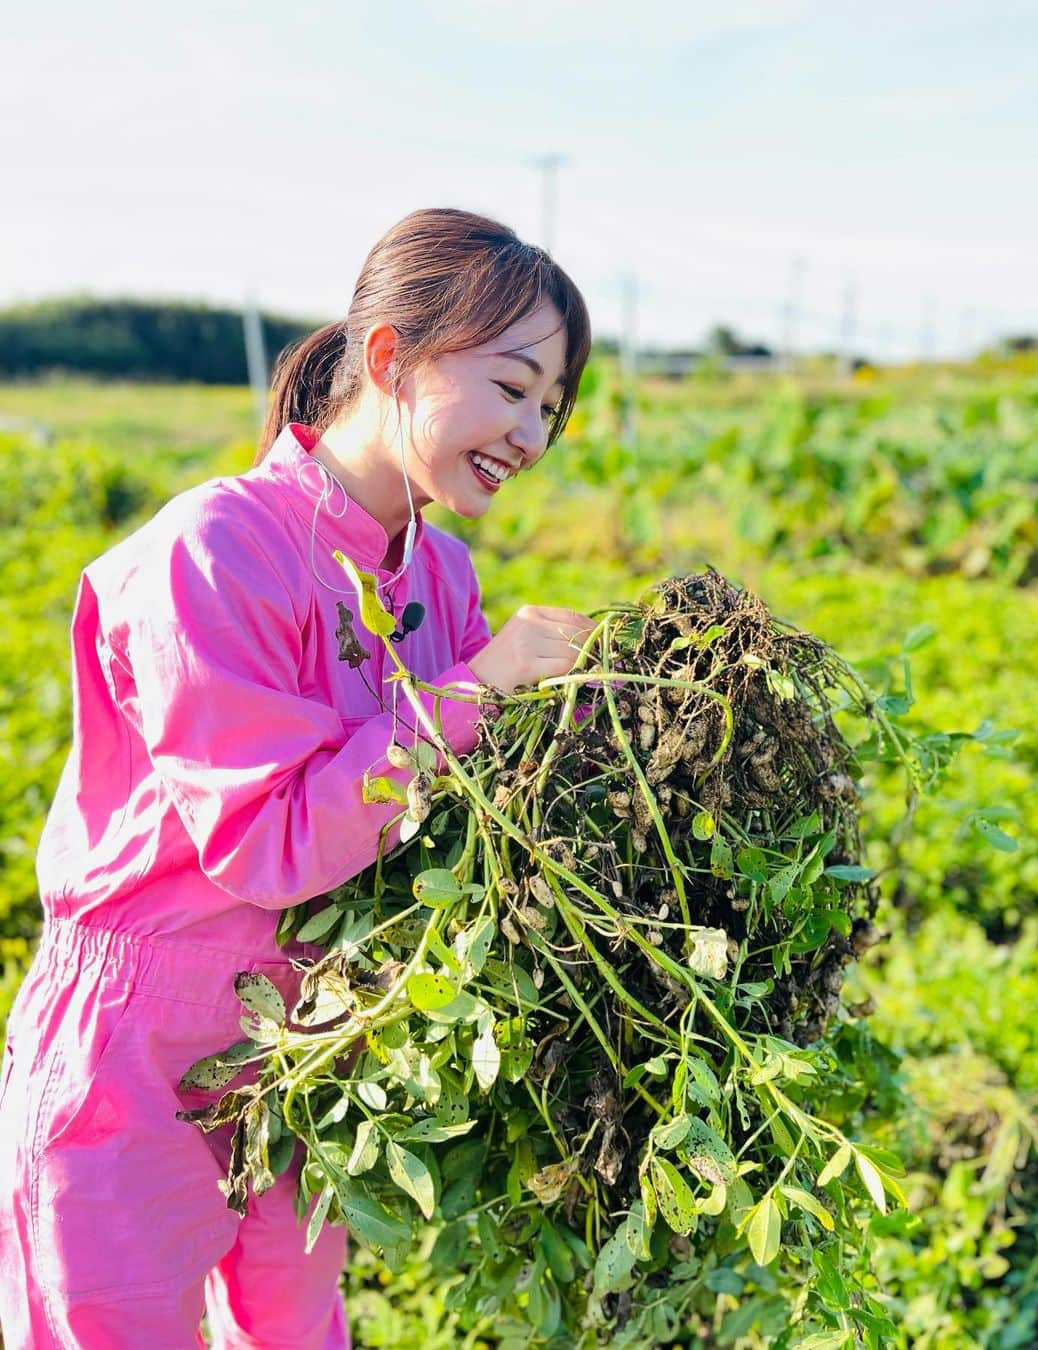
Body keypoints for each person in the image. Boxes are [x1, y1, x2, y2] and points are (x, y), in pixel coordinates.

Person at [0, 207, 593, 1348]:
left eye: (552, 406)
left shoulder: (444, 576)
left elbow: (452, 826)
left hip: (314, 1041)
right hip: (139, 1043)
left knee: (299, 1328)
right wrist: (479, 693)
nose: (533, 432)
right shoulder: (210, 551)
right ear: (390, 358)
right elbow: (271, 843)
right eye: (514, 387)